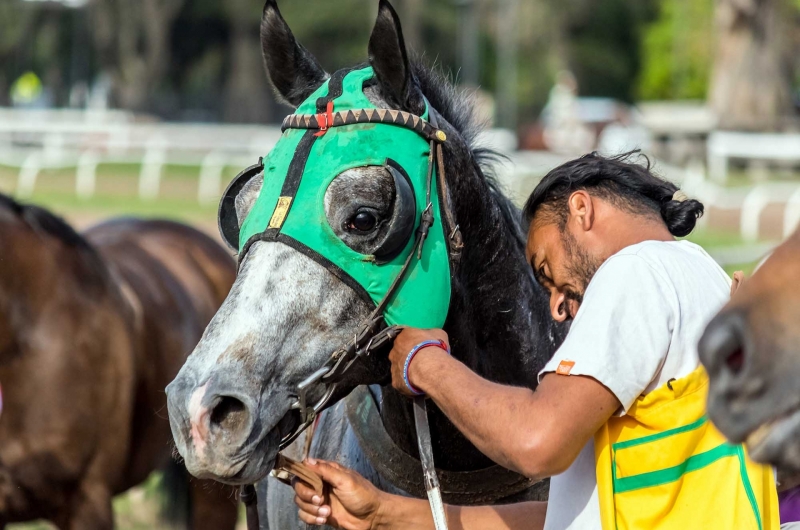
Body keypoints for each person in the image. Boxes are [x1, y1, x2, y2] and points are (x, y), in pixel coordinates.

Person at [293, 152, 779, 530]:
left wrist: (425, 363)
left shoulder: (636, 269)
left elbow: (536, 443)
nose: (556, 307)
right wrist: (383, 513)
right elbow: (566, 518)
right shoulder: (703, 276)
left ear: (582, 210)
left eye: (546, 272)